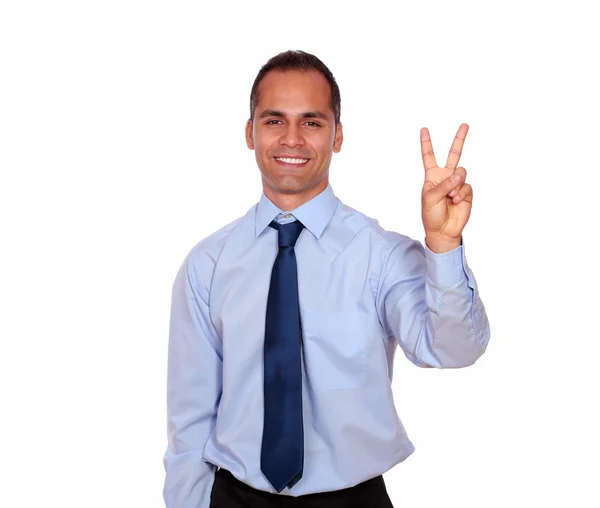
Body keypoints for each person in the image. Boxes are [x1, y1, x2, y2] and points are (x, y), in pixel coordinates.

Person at [162, 49, 491, 508]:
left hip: (353, 500)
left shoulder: (383, 255)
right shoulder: (208, 263)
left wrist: (443, 245)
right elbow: (190, 416)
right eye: (274, 121)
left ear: (337, 136)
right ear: (249, 133)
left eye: (312, 122)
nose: (292, 138)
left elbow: (452, 349)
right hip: (234, 497)